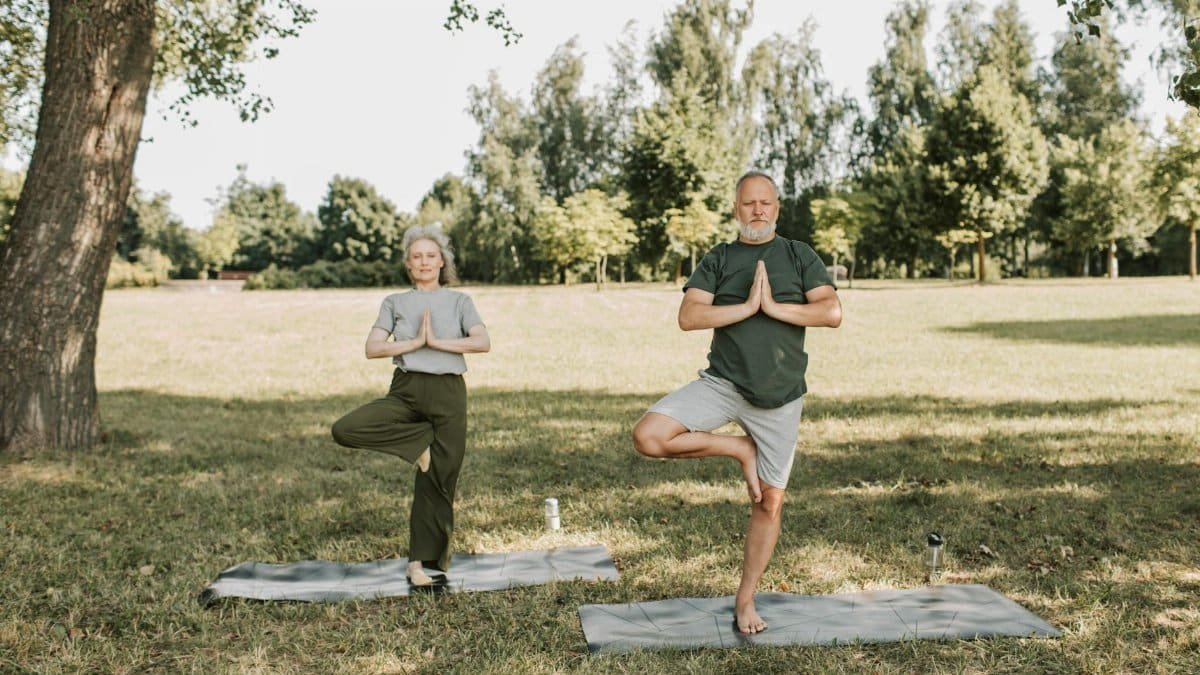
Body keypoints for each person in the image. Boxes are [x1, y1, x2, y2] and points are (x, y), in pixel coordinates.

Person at [632, 170, 842, 634]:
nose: (758, 210)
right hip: (723, 384)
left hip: (781, 398)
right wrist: (745, 307)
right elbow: (689, 316)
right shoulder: (720, 257)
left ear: (777, 208)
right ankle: (738, 448)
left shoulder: (798, 255)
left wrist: (773, 307)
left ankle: (745, 600)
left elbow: (830, 311)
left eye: (766, 202)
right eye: (749, 203)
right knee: (648, 435)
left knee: (769, 503)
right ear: (736, 209)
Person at [331, 224, 490, 586]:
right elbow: (372, 348)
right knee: (346, 428)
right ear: (408, 264)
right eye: (416, 256)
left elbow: (482, 342)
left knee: (439, 481)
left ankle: (419, 564)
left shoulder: (460, 301)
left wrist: (437, 341)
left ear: (441, 262)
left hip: (449, 394)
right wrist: (414, 343)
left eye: (430, 256)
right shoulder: (395, 302)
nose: (424, 261)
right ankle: (416, 444)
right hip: (406, 390)